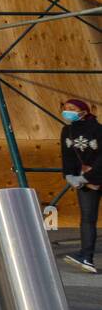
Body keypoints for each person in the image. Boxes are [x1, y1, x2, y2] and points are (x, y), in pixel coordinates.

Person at [60, 98, 102, 273]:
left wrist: (88, 176)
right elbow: (67, 155)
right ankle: (86, 257)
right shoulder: (67, 130)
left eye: (73, 108)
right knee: (87, 219)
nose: (68, 111)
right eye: (66, 108)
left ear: (83, 111)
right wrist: (69, 174)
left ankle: (86, 256)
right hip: (83, 179)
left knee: (88, 219)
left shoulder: (98, 129)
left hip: (92, 177)